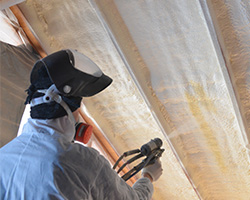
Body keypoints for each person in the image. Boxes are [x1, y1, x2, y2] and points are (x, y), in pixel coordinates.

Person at [0, 49, 163, 200]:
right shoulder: (82, 161)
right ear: (68, 108)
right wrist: (148, 177)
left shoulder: (5, 155)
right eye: (79, 107)